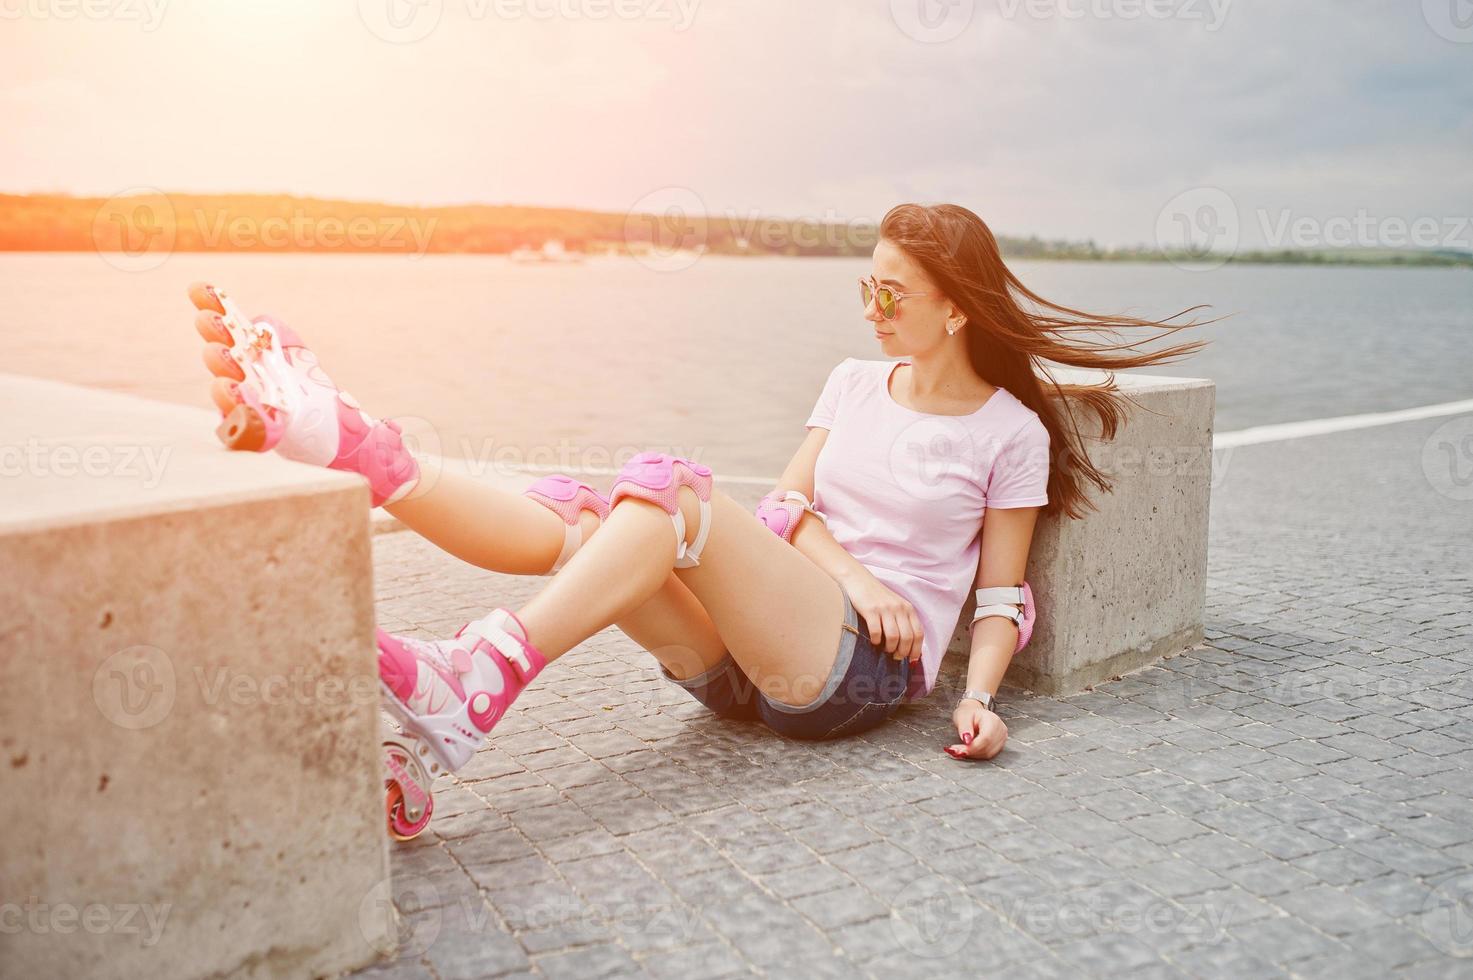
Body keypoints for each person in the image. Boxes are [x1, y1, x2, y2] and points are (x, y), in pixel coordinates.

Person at [188, 202, 1209, 838]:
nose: (871, 307)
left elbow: (998, 597)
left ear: (956, 309)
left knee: (673, 494)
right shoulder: (855, 382)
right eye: (866, 283)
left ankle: (473, 674)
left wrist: (981, 701)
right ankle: (351, 443)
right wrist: (853, 573)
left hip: (854, 678)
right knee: (593, 520)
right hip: (748, 663)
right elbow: (786, 508)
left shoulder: (1007, 433)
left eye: (891, 291)